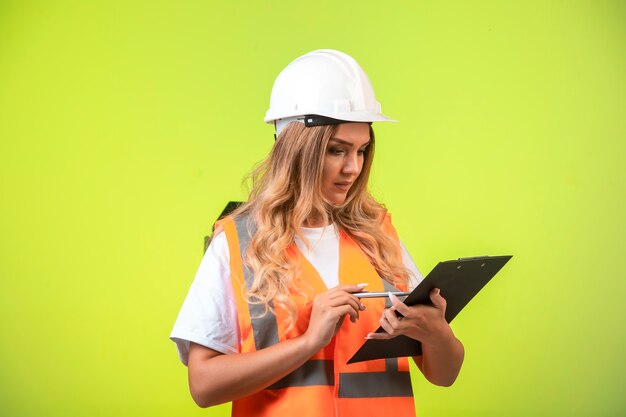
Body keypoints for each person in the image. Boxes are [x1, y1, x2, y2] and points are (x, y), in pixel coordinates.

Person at [170, 49, 464, 417]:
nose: (353, 168)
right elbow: (203, 386)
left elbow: (445, 374)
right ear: (295, 149)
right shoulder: (237, 242)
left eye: (362, 150)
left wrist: (436, 333)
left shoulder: (379, 236)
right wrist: (309, 342)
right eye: (336, 150)